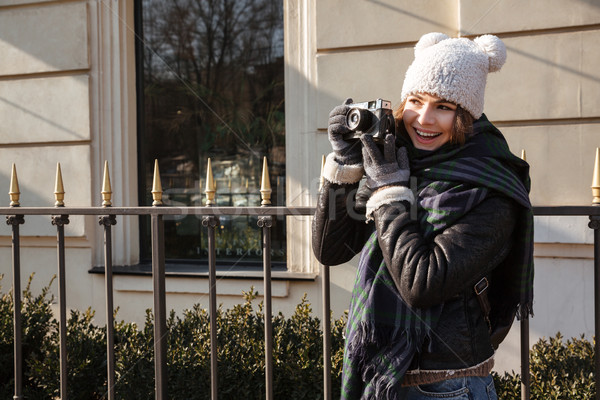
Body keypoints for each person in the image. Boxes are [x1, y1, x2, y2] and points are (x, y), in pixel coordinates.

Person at [312, 32, 534, 399]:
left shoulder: (492, 190)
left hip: (449, 385)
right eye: (415, 100)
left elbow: (421, 284)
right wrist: (347, 164)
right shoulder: (397, 163)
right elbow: (329, 250)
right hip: (384, 376)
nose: (424, 119)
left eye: (443, 107)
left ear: (466, 115)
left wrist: (387, 194)